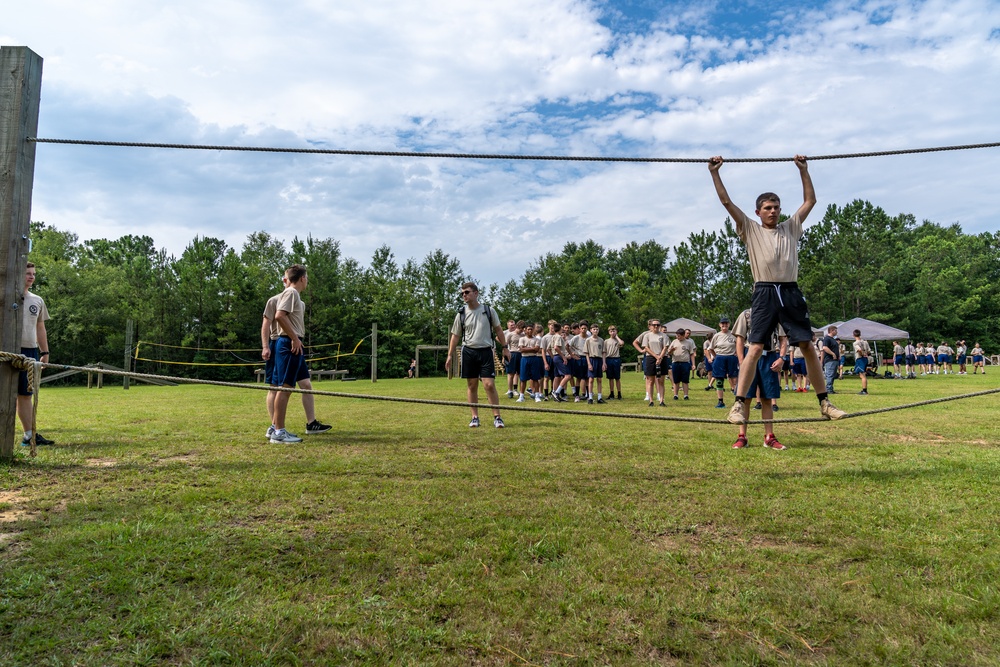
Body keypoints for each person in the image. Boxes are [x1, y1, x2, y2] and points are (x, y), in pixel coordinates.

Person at [709, 154, 845, 424]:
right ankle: (737, 405)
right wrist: (715, 173)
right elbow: (726, 202)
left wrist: (803, 170)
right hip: (765, 291)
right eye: (768, 208)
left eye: (776, 207)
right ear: (758, 211)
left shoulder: (790, 228)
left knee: (806, 344)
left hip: (791, 291)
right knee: (756, 347)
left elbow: (810, 201)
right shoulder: (749, 228)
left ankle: (825, 402)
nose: (773, 211)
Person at [262, 271, 332, 443]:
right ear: (302, 278)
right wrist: (293, 339)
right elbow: (277, 318)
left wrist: (296, 339)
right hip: (285, 344)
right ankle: (277, 431)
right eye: (307, 277)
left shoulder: (297, 299)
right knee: (283, 387)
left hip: (294, 344)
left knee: (299, 385)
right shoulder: (288, 293)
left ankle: (302, 425)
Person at [445, 282, 509, 427]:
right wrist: (449, 355)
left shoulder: (488, 310)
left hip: (486, 351)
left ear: (476, 293)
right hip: (468, 351)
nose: (464, 295)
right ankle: (475, 417)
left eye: (466, 292)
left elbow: (499, 330)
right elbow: (455, 336)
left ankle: (497, 417)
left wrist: (505, 348)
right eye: (462, 293)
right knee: (472, 385)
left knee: (489, 385)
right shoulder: (461, 314)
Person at [731, 308, 788, 449]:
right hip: (749, 354)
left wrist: (781, 358)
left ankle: (769, 437)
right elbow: (740, 338)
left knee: (767, 398)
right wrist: (742, 361)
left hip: (769, 356)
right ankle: (742, 436)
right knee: (745, 398)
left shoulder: (776, 314)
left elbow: (783, 339)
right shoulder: (746, 314)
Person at [17, 263, 54, 446]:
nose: (31, 277)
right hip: (7, 350)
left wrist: (44, 351)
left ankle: (29, 435)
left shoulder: (37, 300)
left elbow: (40, 327)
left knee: (25, 394)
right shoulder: (6, 296)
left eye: (33, 274)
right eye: (27, 273)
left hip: (29, 351)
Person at [708, 316, 739, 408]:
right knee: (719, 380)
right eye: (723, 324)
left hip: (731, 358)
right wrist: (717, 357)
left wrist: (736, 353)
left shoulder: (733, 334)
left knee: (734, 379)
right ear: (720, 325)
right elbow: (711, 348)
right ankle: (720, 401)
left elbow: (739, 345)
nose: (724, 325)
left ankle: (738, 400)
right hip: (720, 358)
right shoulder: (717, 336)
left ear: (729, 325)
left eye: (726, 324)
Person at [666, 328, 696, 400]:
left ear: (683, 335)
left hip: (685, 363)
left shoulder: (689, 343)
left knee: (685, 380)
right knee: (676, 380)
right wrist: (671, 350)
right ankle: (675, 395)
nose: (677, 337)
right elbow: (668, 353)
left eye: (679, 336)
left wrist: (693, 364)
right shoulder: (674, 342)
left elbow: (692, 354)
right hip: (675, 363)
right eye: (677, 336)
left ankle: (686, 395)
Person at [633, 319, 659, 402]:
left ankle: (659, 394)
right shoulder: (645, 334)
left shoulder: (659, 333)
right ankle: (648, 394)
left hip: (658, 356)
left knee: (658, 377)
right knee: (648, 377)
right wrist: (641, 350)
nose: (654, 326)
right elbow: (635, 342)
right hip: (648, 356)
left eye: (656, 325)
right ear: (649, 326)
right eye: (652, 325)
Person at [584, 324, 607, 404]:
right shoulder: (588, 340)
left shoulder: (601, 340)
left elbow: (603, 352)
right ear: (591, 330)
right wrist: (589, 364)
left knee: (599, 379)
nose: (595, 331)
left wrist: (604, 363)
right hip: (591, 359)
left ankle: (599, 397)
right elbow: (586, 353)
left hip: (599, 359)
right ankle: (590, 397)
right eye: (594, 329)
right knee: (591, 379)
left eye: (597, 329)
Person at [604, 325, 625, 400]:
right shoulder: (606, 341)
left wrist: (617, 337)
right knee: (610, 378)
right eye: (611, 331)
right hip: (608, 359)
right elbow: (604, 352)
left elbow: (622, 343)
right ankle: (611, 393)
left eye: (614, 331)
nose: (612, 333)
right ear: (609, 332)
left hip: (616, 359)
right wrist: (604, 362)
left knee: (617, 378)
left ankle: (619, 393)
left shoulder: (618, 340)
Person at [821, 325, 840, 394]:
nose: (836, 332)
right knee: (830, 374)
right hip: (829, 360)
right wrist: (833, 354)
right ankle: (828, 389)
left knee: (833, 374)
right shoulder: (827, 338)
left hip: (835, 360)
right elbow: (825, 347)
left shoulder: (833, 339)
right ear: (831, 331)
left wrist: (838, 355)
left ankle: (830, 388)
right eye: (835, 330)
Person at [852, 329, 871, 395]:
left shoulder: (855, 343)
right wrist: (866, 354)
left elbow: (859, 349)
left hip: (860, 359)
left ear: (853, 335)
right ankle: (864, 389)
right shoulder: (865, 342)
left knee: (862, 375)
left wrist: (862, 353)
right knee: (864, 374)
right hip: (865, 359)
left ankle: (864, 390)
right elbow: (869, 351)